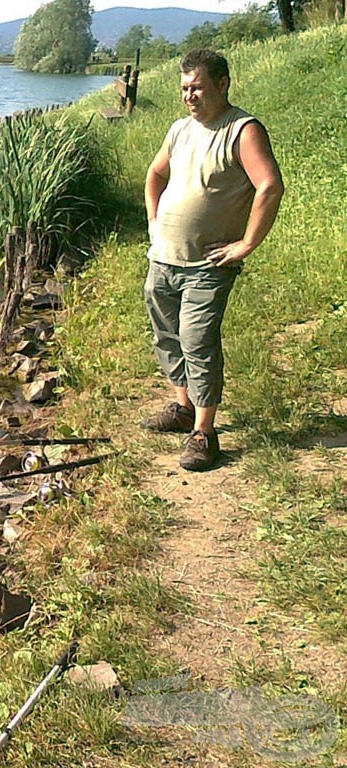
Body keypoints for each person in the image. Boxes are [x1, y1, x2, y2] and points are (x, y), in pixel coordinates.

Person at [140, 49, 284, 471]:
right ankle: (182, 407)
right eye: (185, 88)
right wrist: (153, 220)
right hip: (163, 258)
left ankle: (204, 432)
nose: (190, 96)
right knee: (167, 336)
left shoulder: (242, 130)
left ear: (222, 84)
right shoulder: (180, 130)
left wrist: (246, 244)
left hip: (207, 264)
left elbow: (270, 187)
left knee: (198, 340)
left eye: (198, 87)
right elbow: (155, 174)